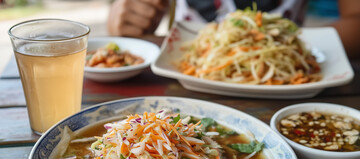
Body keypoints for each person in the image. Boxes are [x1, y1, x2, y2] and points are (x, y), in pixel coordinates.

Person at [107, 0, 360, 59]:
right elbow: (128, 24)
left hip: (286, 78)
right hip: (184, 72)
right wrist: (124, 17)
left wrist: (290, 47)